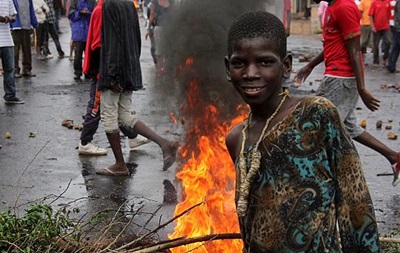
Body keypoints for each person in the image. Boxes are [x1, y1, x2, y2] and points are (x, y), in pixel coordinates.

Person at [224, 11, 380, 252]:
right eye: (239, 63)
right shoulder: (237, 138)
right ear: (228, 67)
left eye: (265, 62)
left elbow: (355, 203)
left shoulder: (315, 114)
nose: (251, 73)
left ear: (286, 65)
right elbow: (249, 223)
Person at [294, 0, 400, 186]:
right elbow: (333, 45)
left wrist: (361, 88)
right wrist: (310, 66)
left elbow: (354, 49)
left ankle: (327, 180)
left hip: (340, 77)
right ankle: (394, 157)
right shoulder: (333, 7)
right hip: (336, 74)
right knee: (348, 127)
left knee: (316, 124)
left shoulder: (344, 7)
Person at [96, 0, 179, 175]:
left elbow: (112, 42)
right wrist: (130, 68)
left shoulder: (110, 4)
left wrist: (113, 75)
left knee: (109, 116)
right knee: (124, 116)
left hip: (116, 71)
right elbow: (136, 38)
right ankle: (164, 144)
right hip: (129, 67)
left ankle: (120, 165)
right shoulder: (128, 4)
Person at [78, 0, 150, 156]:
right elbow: (97, 45)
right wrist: (104, 73)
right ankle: (85, 142)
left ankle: (132, 137)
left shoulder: (117, 7)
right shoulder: (101, 10)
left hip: (113, 68)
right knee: (96, 108)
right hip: (103, 70)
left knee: (118, 111)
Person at [0, 0, 24, 104]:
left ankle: (10, 95)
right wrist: (6, 18)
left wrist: (8, 18)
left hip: (7, 40)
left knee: (9, 69)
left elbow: (14, 17)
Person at [67, 0, 95, 80]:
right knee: (78, 54)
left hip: (89, 31)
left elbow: (95, 14)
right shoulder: (74, 1)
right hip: (78, 31)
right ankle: (77, 72)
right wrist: (80, 13)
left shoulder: (92, 2)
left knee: (89, 54)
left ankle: (88, 72)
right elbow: (70, 15)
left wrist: (88, 14)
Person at [10, 0, 38, 78]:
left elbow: (31, 10)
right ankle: (15, 69)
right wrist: (10, 25)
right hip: (16, 27)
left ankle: (27, 69)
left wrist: (34, 23)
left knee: (27, 49)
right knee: (15, 49)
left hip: (27, 26)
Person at [145, 0, 171, 69]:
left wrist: (148, 29)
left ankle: (159, 71)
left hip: (159, 28)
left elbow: (152, 16)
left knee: (158, 52)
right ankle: (166, 70)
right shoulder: (171, 2)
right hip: (169, 28)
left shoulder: (154, 2)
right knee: (167, 50)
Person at [369, 0, 391, 66]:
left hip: (386, 27)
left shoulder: (388, 2)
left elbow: (390, 14)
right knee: (375, 45)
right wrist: (372, 26)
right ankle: (376, 60)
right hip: (376, 27)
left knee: (389, 42)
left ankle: (386, 58)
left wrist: (389, 24)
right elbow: (370, 15)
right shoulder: (374, 2)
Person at [388, 0, 400, 73]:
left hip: (397, 27)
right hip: (398, 28)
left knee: (396, 47)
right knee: (396, 47)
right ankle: (391, 65)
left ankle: (391, 65)